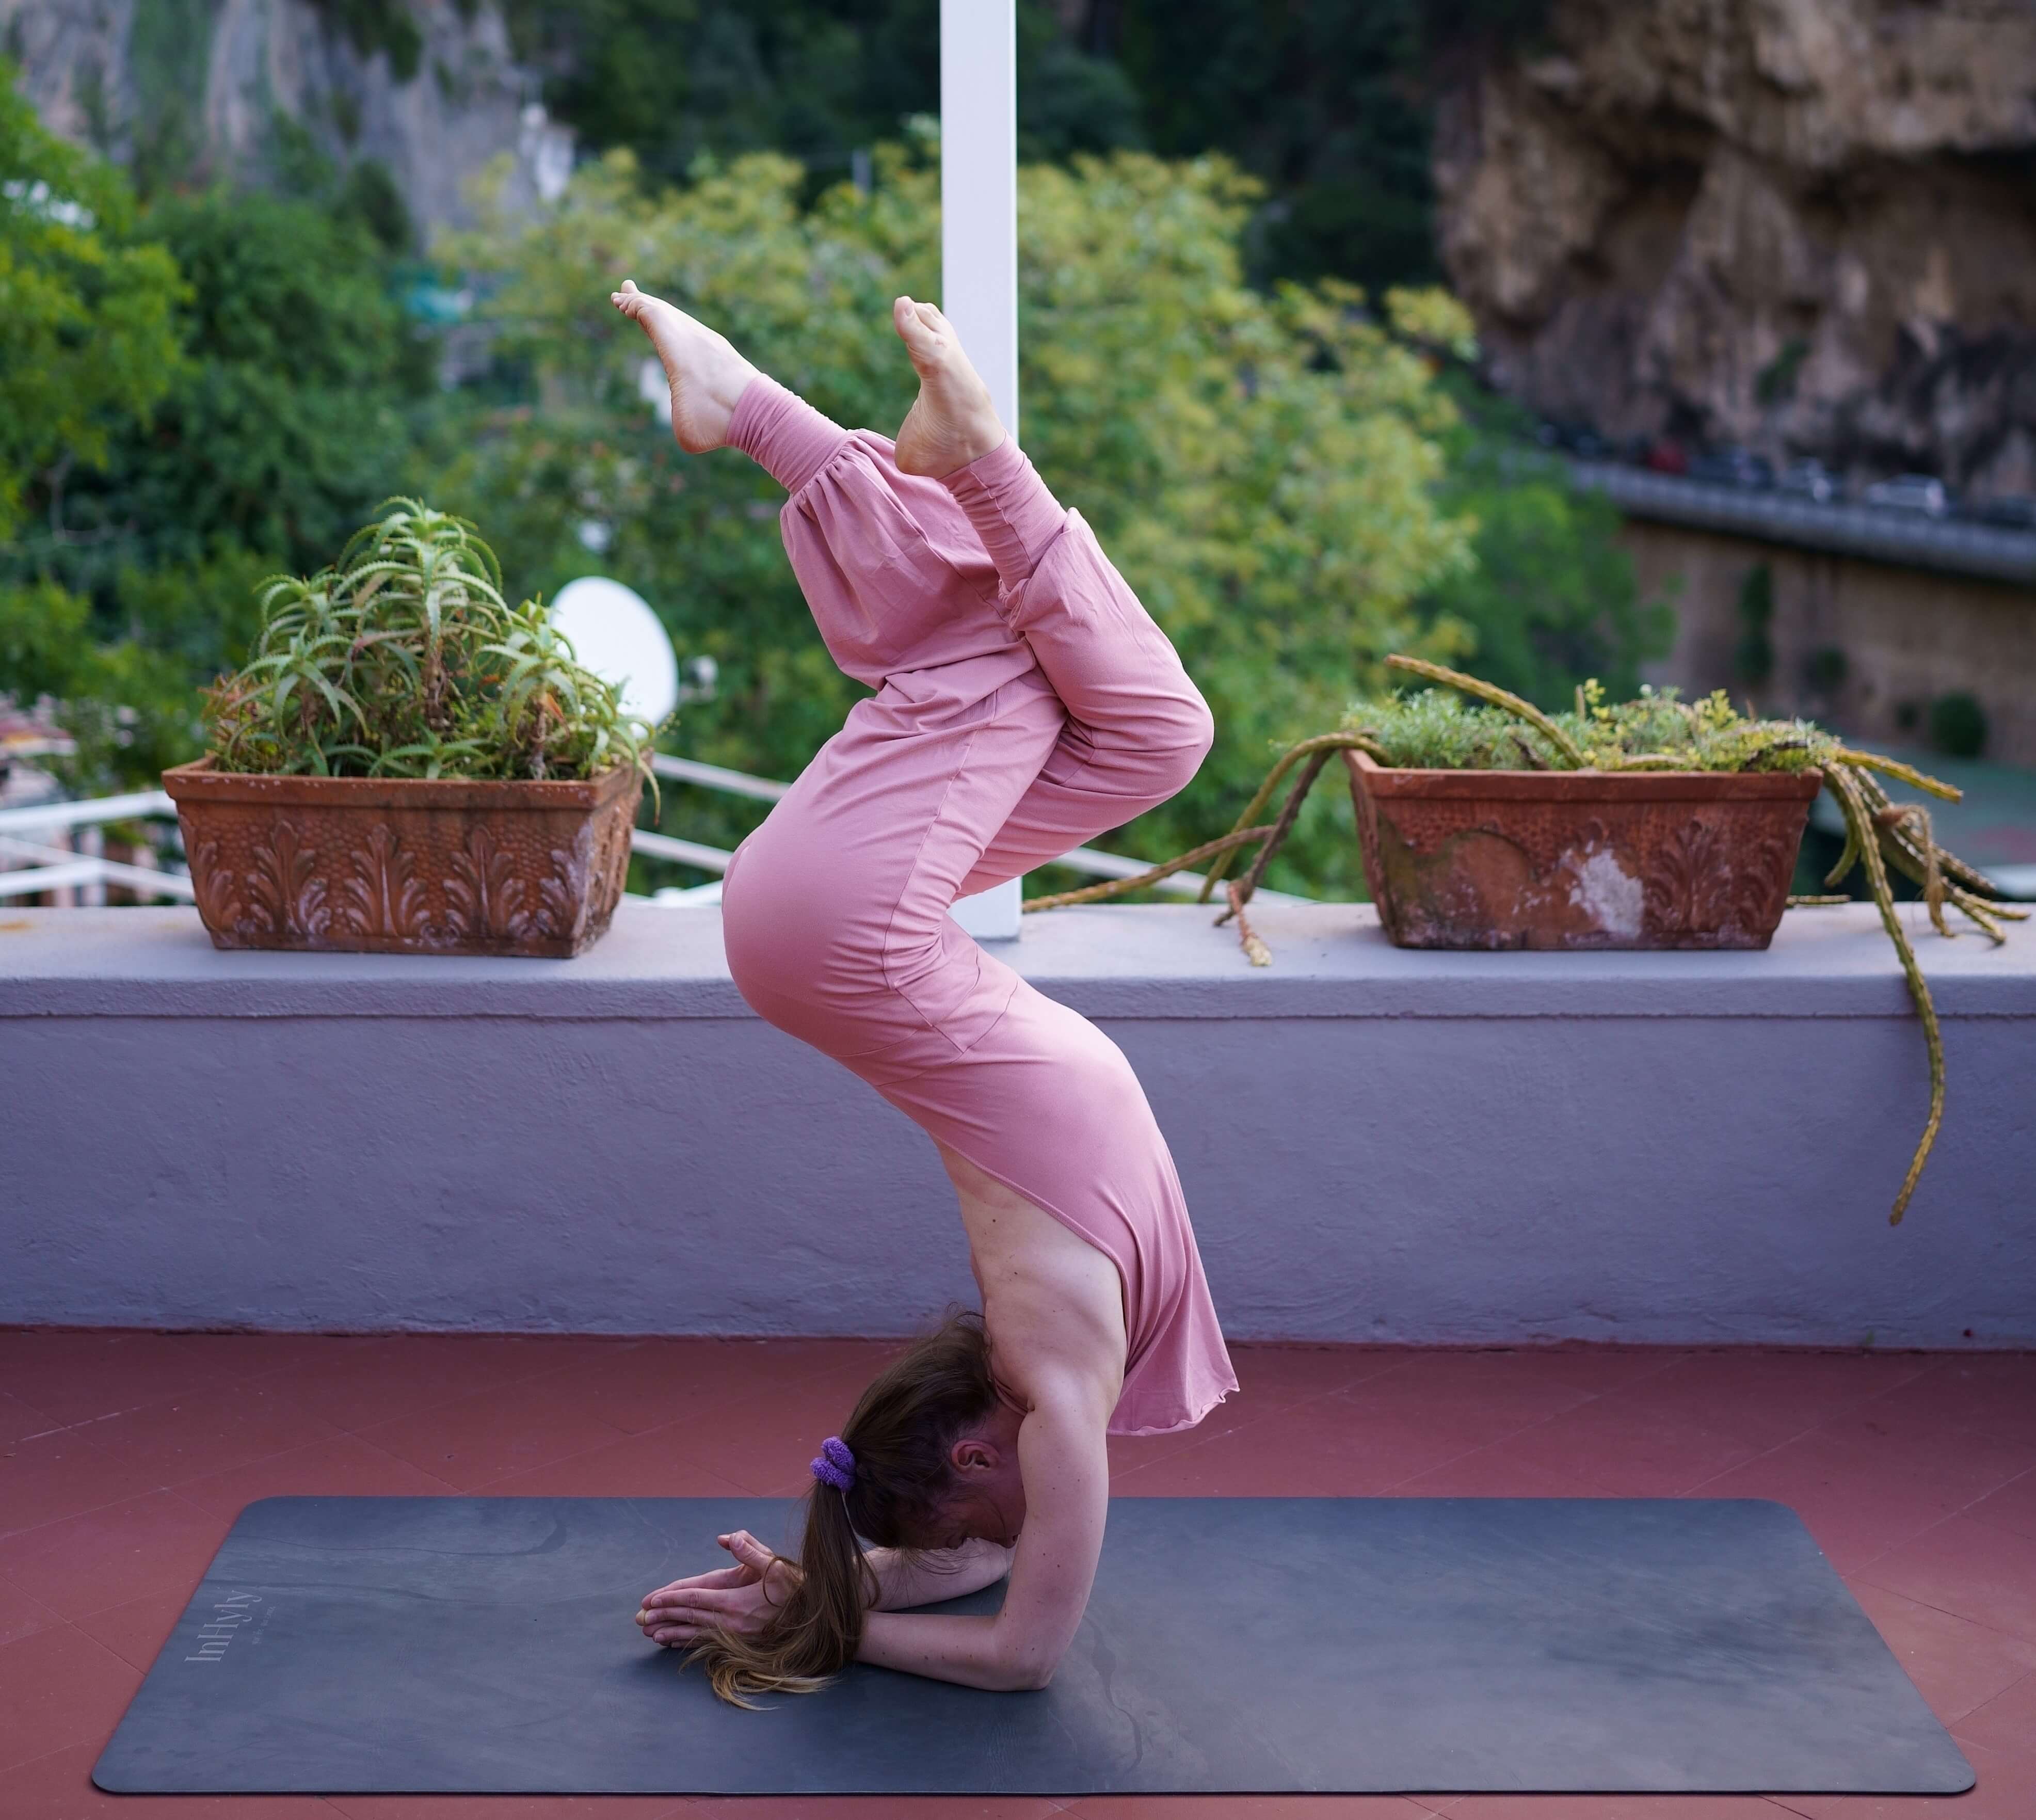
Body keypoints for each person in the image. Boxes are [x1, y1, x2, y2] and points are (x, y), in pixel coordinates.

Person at [612, 279, 1236, 1704]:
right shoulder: (1038, 1390)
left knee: (994, 661)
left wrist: (824, 1615)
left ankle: (806, 426)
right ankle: (824, 428)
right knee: (1150, 735)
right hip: (846, 933)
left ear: (967, 1455)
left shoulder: (1044, 1391)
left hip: (846, 933)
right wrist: (832, 1579)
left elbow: (1014, 1654)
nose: (1015, 1540)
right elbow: (980, 1588)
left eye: (984, 1518)